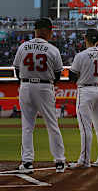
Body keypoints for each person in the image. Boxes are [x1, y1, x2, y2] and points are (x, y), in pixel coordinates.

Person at [13, 18, 66, 174]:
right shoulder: (52, 49)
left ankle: (27, 162)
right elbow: (57, 75)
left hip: (26, 85)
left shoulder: (23, 47)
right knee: (52, 124)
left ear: (35, 31)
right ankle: (60, 162)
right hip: (44, 86)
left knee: (27, 126)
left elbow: (17, 70)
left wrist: (26, 81)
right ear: (48, 31)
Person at [69, 29, 98, 168]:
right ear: (97, 39)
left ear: (86, 39)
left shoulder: (81, 55)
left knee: (85, 128)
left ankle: (84, 161)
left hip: (85, 90)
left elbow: (71, 77)